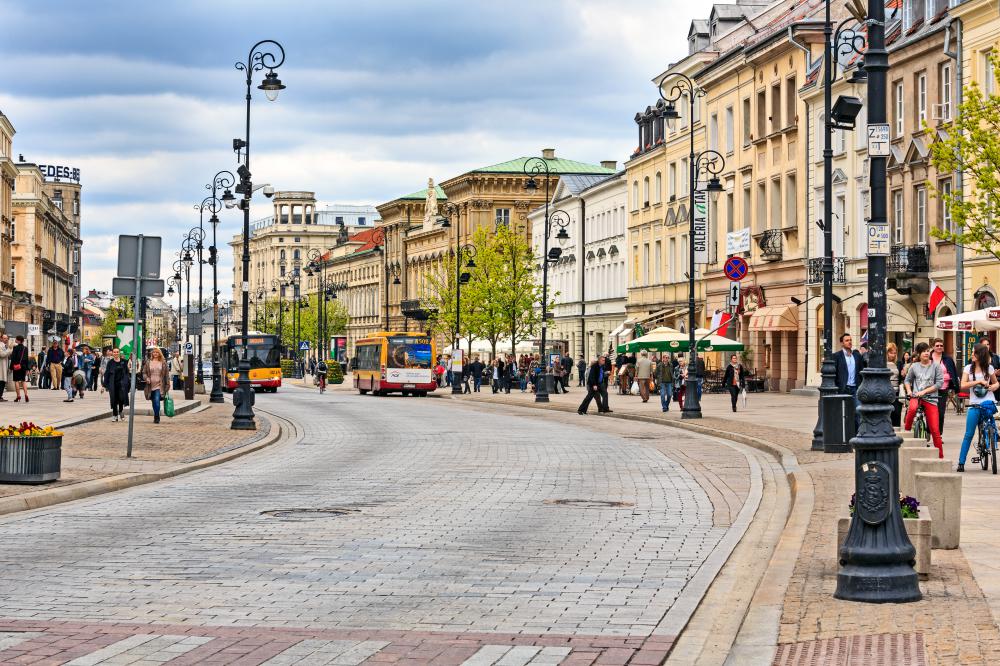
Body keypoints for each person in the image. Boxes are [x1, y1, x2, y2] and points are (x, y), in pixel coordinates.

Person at [956, 344, 999, 472]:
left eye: (974, 353)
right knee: (969, 434)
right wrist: (977, 382)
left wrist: (994, 387)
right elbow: (962, 385)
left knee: (991, 426)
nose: (972, 355)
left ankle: (991, 437)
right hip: (974, 404)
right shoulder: (968, 368)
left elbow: (996, 382)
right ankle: (961, 462)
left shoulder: (989, 368)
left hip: (988, 402)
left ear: (981, 355)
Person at [904, 342, 945, 459]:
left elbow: (939, 383)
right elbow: (907, 380)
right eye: (923, 351)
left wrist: (925, 391)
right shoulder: (914, 366)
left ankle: (940, 457)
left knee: (935, 430)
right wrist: (909, 391)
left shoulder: (936, 366)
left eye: (927, 351)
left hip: (931, 398)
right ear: (919, 354)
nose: (926, 353)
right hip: (916, 396)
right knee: (911, 409)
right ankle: (907, 432)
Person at [930, 337, 959, 436]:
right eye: (937, 345)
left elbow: (953, 373)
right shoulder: (928, 358)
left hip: (943, 389)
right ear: (933, 347)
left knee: (941, 413)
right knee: (930, 412)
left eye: (941, 346)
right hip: (929, 389)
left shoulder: (948, 359)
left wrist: (955, 387)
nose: (939, 347)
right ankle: (929, 430)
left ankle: (938, 434)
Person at [140, 347, 169, 423]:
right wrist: (146, 378)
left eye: (157, 352)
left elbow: (166, 375)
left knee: (156, 400)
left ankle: (157, 416)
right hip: (150, 385)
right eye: (154, 352)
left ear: (159, 353)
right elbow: (144, 372)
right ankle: (156, 414)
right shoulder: (148, 362)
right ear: (152, 354)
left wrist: (168, 384)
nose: (155, 354)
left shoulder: (163, 363)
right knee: (153, 401)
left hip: (159, 384)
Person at [103, 348, 130, 422]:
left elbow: (127, 373)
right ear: (112, 353)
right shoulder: (110, 363)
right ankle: (115, 415)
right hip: (113, 384)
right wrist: (104, 385)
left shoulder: (124, 362)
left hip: (122, 384)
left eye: (117, 352)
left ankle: (121, 411)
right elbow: (107, 374)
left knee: (121, 398)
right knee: (114, 400)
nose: (116, 353)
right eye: (114, 352)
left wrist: (128, 382)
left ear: (119, 353)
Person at [887, 343, 903, 428]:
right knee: (887, 414)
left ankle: (896, 433)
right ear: (887, 353)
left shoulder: (899, 363)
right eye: (891, 352)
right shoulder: (883, 363)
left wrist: (903, 374)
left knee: (897, 413)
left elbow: (901, 377)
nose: (893, 355)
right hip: (886, 392)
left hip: (897, 392)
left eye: (894, 353)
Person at [9, 336, 29, 403]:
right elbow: (26, 359)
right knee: (23, 381)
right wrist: (27, 369)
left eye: (16, 339)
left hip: (16, 366)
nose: (15, 340)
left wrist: (11, 367)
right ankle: (26, 395)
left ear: (19, 341)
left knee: (16, 381)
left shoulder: (15, 348)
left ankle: (18, 396)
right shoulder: (25, 348)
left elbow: (13, 358)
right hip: (23, 367)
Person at [0, 334, 10, 402]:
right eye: (4, 338)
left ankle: (0, 396)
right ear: (1, 339)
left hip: (4, 366)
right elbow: (2, 354)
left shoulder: (5, 345)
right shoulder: (0, 345)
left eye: (6, 338)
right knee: (1, 381)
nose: (6, 339)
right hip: (1, 367)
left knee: (3, 382)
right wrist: (9, 349)